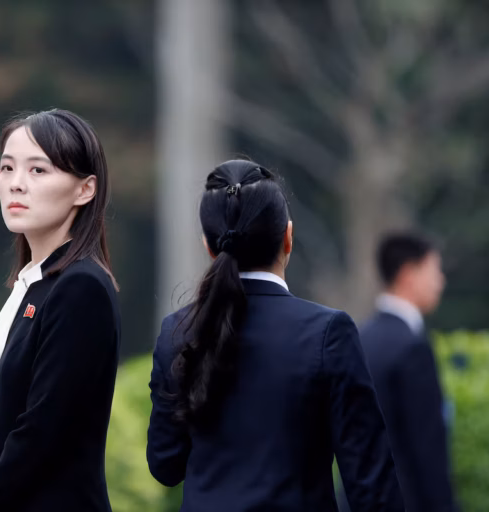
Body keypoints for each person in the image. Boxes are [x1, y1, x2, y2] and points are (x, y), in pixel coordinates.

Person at [146, 160, 403, 511]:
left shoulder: (178, 331)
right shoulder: (327, 333)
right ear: (288, 237)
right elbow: (371, 483)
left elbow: (165, 464)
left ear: (208, 245)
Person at [0, 109, 121, 511]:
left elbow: (42, 431)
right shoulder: (35, 286)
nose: (16, 183)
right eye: (7, 168)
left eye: (38, 170)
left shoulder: (81, 287)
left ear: (85, 189)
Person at [359, 232, 456, 511]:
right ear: (408, 275)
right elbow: (427, 450)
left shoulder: (359, 338)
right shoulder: (412, 347)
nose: (440, 282)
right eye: (434, 271)